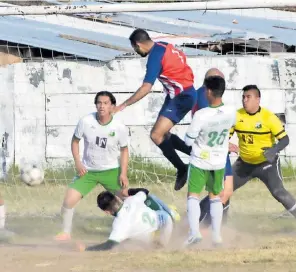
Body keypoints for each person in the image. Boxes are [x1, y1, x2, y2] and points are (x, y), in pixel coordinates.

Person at [224, 84, 296, 236]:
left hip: (266, 164)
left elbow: (285, 139)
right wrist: (226, 144)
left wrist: (274, 150)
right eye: (243, 97)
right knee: (224, 191)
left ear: (257, 100)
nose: (244, 100)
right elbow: (225, 137)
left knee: (278, 192)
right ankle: (220, 228)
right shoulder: (237, 116)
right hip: (244, 164)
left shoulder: (268, 117)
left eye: (248, 97)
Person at [114, 28, 197, 191]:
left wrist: (123, 105)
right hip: (177, 94)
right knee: (163, 134)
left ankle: (182, 168)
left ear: (138, 44)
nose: (136, 52)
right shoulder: (164, 45)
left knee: (156, 135)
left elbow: (146, 88)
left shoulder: (154, 57)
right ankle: (195, 153)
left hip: (182, 96)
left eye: (134, 48)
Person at [55, 91, 130, 241]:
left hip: (111, 171)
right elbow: (75, 141)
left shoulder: (119, 127)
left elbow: (124, 150)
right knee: (69, 200)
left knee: (128, 201)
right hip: (88, 171)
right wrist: (78, 162)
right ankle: (65, 233)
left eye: (105, 103)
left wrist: (123, 173)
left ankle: (132, 231)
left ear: (112, 106)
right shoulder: (85, 121)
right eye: (99, 103)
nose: (101, 106)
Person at [184, 76, 236, 246]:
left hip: (200, 161)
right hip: (219, 162)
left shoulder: (200, 115)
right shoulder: (231, 112)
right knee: (215, 197)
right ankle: (216, 236)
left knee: (193, 196)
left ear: (208, 91)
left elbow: (188, 142)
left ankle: (194, 234)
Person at [77, 189, 179, 251]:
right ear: (117, 198)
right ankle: (172, 213)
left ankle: (171, 215)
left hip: (148, 237)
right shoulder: (132, 199)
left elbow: (109, 245)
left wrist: (87, 249)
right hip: (164, 222)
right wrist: (129, 191)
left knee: (127, 242)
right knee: (151, 198)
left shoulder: (119, 224)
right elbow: (144, 191)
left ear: (107, 212)